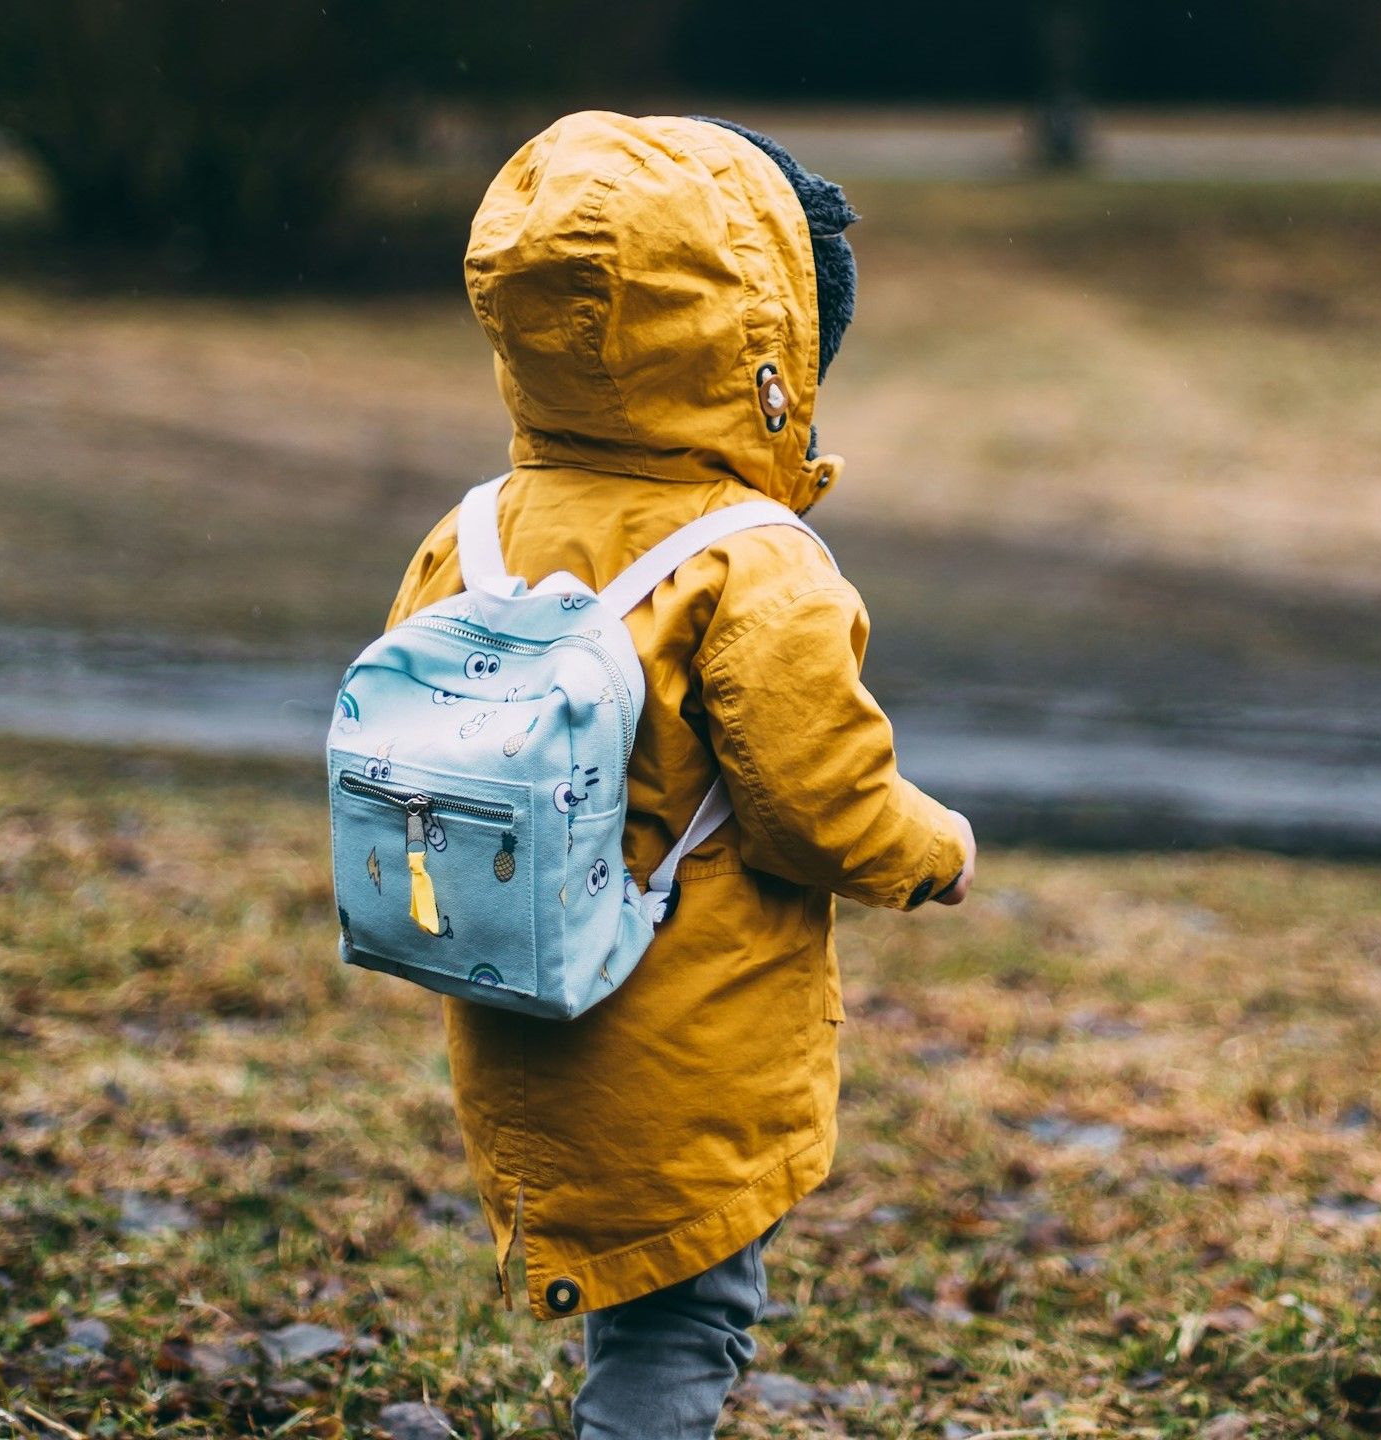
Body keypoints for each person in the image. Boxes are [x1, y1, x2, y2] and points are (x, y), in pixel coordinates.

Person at [384, 110, 976, 1439]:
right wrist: (932, 847)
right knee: (684, 1323)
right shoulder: (749, 563)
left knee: (631, 1294)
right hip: (684, 1031)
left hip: (517, 1002)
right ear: (762, 342)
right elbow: (819, 801)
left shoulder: (470, 536)